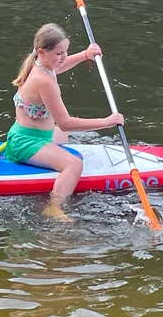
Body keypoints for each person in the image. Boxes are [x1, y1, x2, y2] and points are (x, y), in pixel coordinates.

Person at [8, 23, 124, 220]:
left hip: (27, 134)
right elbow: (65, 122)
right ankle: (54, 207)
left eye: (65, 51)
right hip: (27, 142)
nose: (63, 57)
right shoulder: (44, 81)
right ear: (42, 52)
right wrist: (105, 122)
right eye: (59, 53)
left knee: (64, 136)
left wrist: (85, 55)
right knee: (74, 165)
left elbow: (61, 66)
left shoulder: (40, 64)